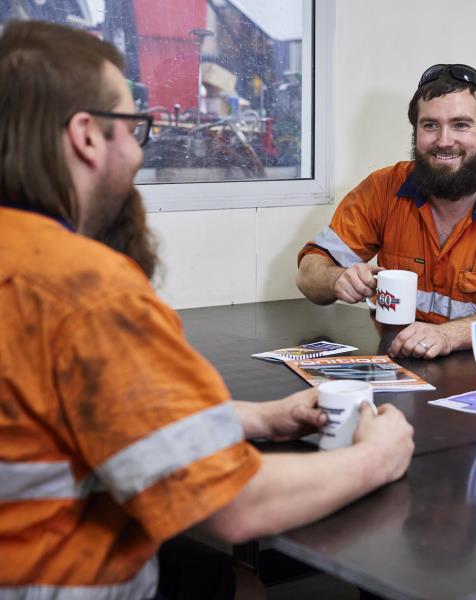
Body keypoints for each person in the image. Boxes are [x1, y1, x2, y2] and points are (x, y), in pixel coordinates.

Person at [0, 20, 413, 599]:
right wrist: (378, 457)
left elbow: (76, 410)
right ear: (87, 136)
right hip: (53, 578)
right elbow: (234, 505)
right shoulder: (85, 291)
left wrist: (255, 417)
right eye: (133, 126)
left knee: (230, 580)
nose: (139, 150)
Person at [296, 64, 476, 360]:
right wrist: (336, 278)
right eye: (430, 125)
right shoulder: (382, 189)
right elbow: (308, 273)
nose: (444, 141)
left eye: (461, 125)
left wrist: (447, 335)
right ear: (416, 131)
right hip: (398, 366)